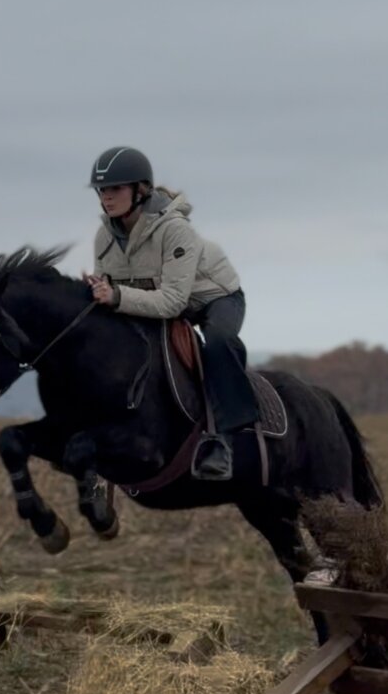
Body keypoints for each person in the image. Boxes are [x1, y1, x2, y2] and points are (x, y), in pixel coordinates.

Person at [84, 146, 258, 481]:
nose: (106, 197)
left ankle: (223, 440)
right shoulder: (104, 236)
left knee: (219, 343)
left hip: (214, 300)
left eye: (115, 189)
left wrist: (116, 295)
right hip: (155, 301)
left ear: (141, 190)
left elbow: (173, 303)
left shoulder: (175, 229)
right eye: (102, 190)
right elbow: (111, 293)